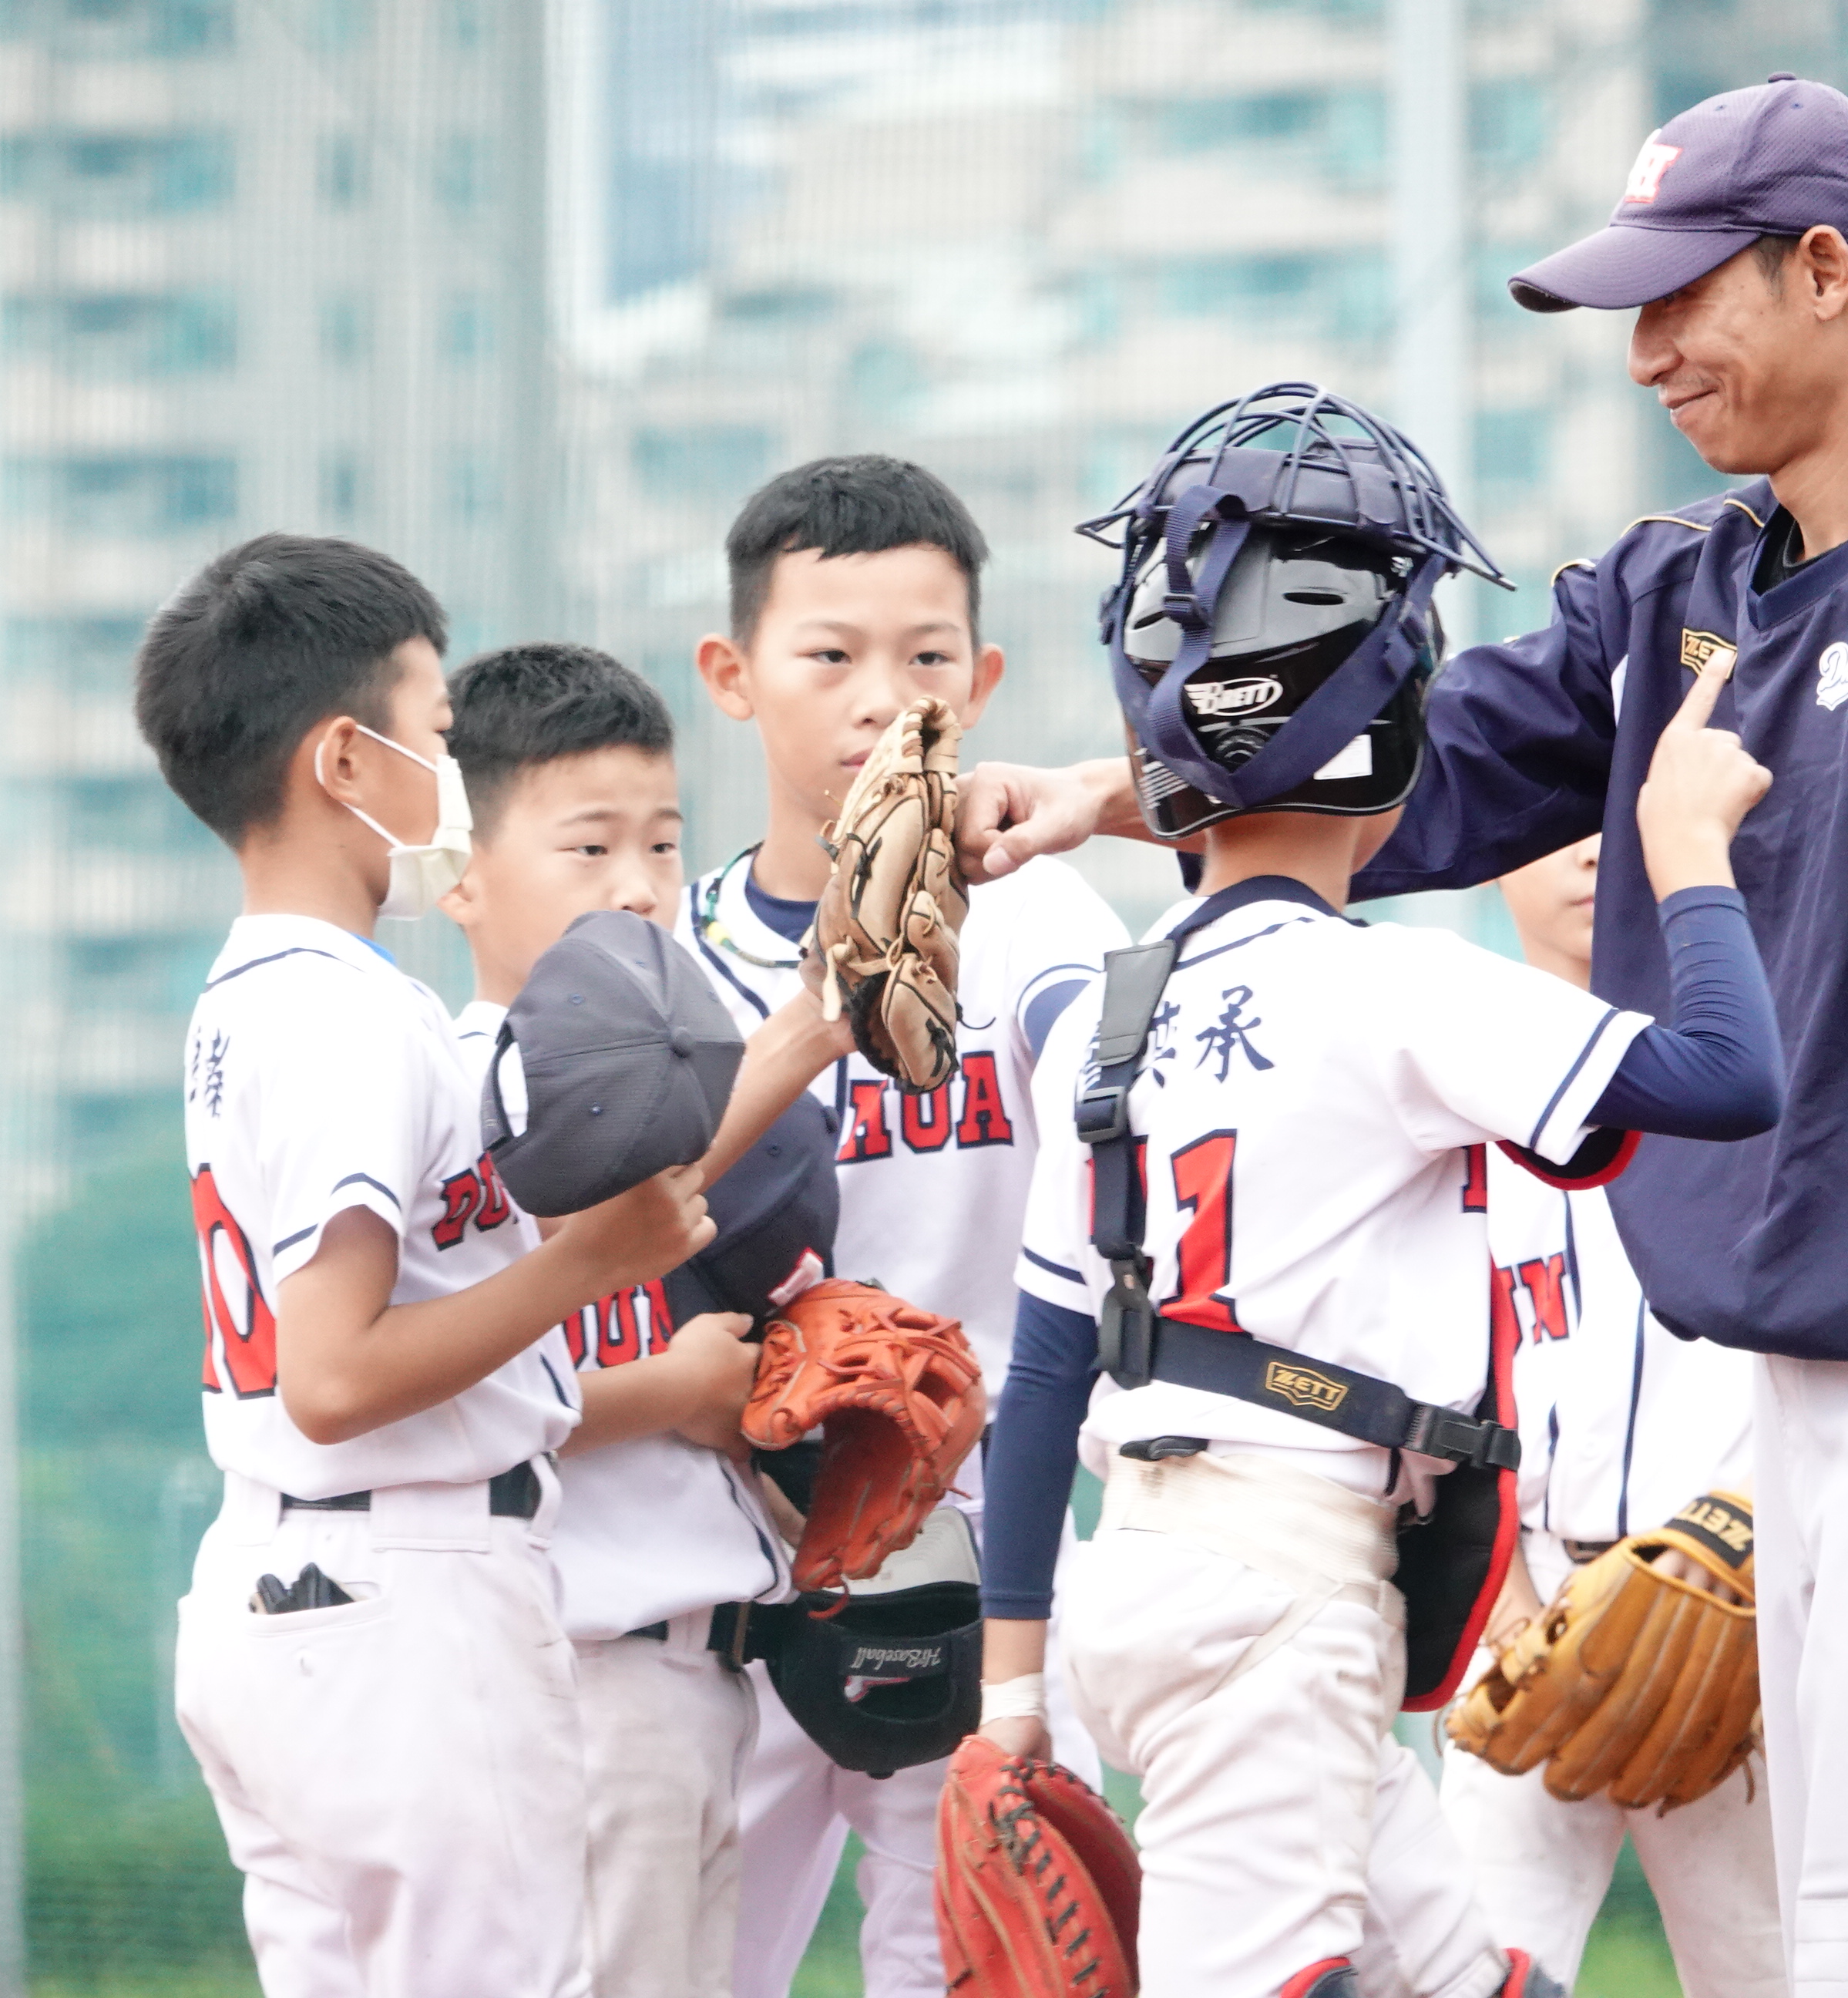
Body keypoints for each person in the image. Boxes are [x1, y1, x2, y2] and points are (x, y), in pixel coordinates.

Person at [958, 76, 1848, 1996]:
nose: (1645, 353)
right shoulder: (1677, 588)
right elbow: (1425, 771)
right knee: (1847, 1957)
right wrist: (1104, 792)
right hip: (1794, 1388)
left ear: (1827, 273)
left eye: (1681, 297)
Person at [975, 385, 1785, 1997]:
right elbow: (1726, 1079)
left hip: (1140, 1580)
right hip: (1284, 1591)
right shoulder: (1398, 990)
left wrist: (1010, 1703)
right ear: (1397, 738)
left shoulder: (1106, 1016)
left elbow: (1045, 1378)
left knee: (1460, 1976)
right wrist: (1687, 848)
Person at [136, 536, 711, 1998]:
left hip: (288, 1591)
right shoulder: (351, 1012)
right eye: (437, 734)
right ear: (346, 758)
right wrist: (592, 1266)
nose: (450, 774)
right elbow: (334, 1377)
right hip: (407, 1598)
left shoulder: (252, 993)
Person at [677, 456, 1127, 1998]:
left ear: (981, 682)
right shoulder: (670, 963)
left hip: (982, 1556)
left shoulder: (1040, 919)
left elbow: (1104, 1087)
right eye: (830, 653)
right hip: (723, 1553)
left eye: (928, 657)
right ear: (733, 675)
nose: (884, 698)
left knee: (970, 1965)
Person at [437, 639, 844, 1998]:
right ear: (461, 874)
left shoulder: (663, 1093)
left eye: (663, 846)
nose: (638, 886)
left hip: (701, 1679)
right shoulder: (464, 1087)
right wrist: (678, 1391)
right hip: (583, 1672)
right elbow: (450, 1397)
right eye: (589, 847)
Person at [1438, 833, 1786, 1996]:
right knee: (1462, 1968)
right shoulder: (1448, 1100)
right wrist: (1504, 1606)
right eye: (1548, 828)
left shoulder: (1765, 1085)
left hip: (1740, 1615)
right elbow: (1433, 1390)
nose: (1589, 853)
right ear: (1493, 859)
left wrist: (1744, 1547)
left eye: (1616, 822)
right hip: (1525, 1615)